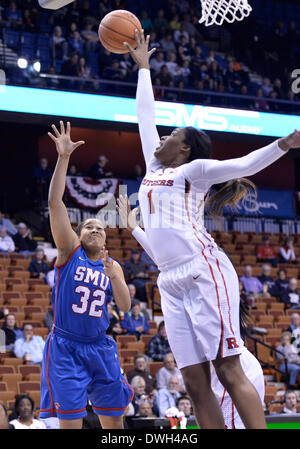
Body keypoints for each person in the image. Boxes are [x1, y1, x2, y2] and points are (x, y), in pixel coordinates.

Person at [123, 30, 300, 429]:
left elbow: (243, 165)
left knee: (227, 370)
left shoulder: (193, 171)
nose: (162, 138)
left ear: (185, 149)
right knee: (194, 382)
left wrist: (283, 145)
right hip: (169, 280)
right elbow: (144, 118)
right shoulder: (154, 168)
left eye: (172, 136)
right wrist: (144, 70)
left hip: (204, 270)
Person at [40, 121, 133, 429]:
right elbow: (55, 204)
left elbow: (125, 306)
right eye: (88, 227)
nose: (95, 229)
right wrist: (63, 157)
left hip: (100, 346)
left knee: (114, 425)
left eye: (100, 228)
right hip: (66, 346)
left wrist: (115, 277)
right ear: (78, 235)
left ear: (105, 239)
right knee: (70, 424)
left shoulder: (112, 265)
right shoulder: (69, 251)